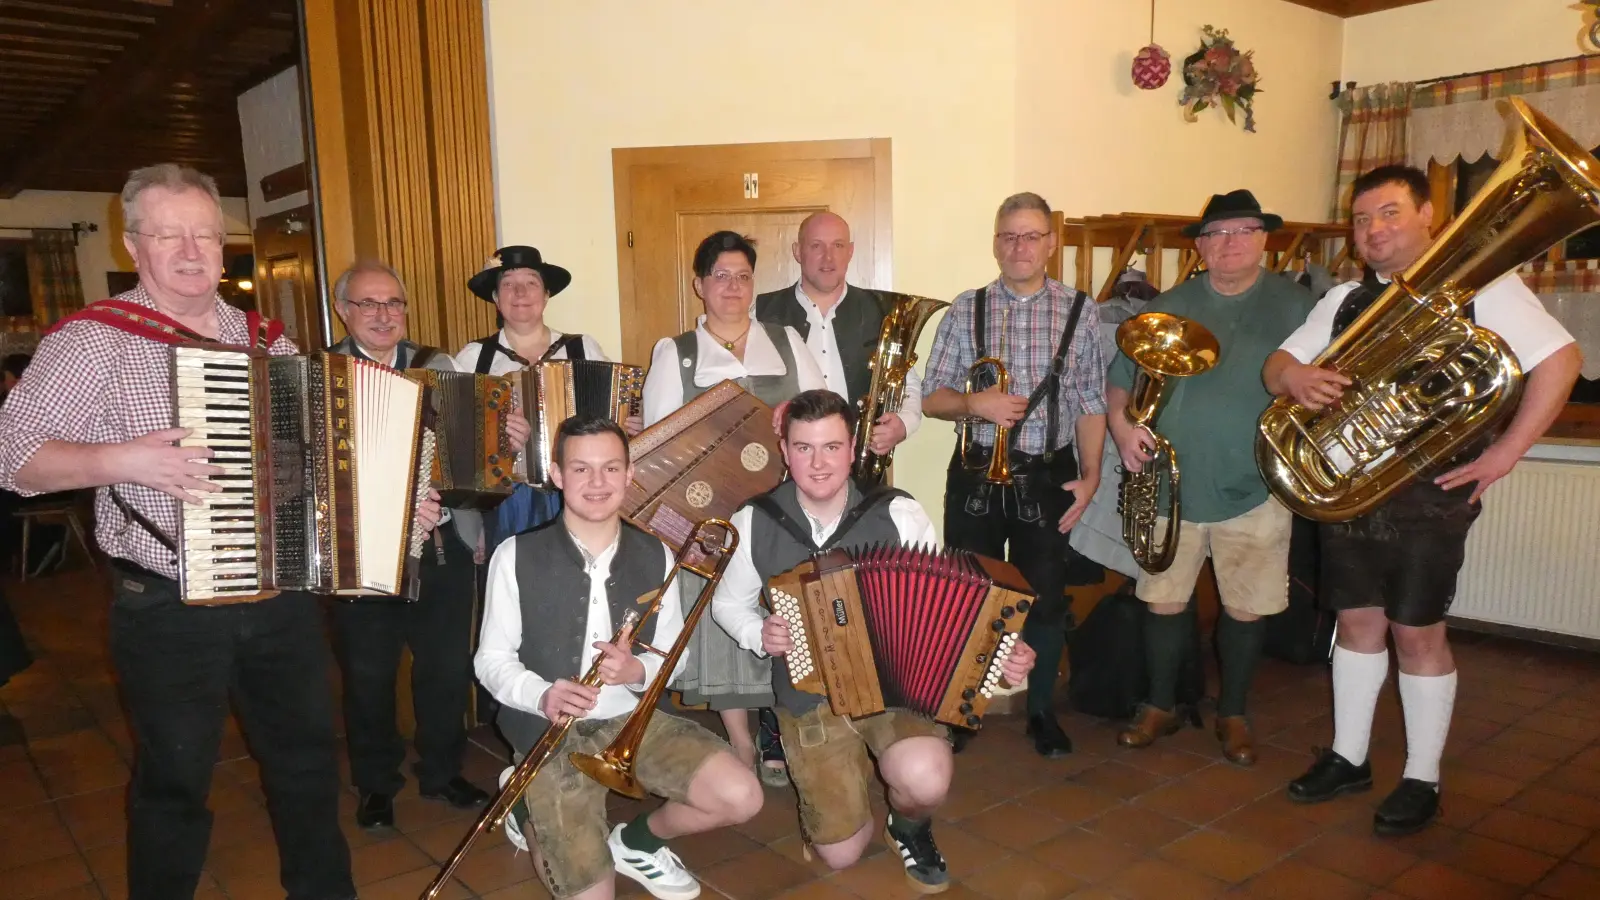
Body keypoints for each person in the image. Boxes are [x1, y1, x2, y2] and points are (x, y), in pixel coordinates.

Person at [0, 163, 444, 899]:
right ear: (133, 243)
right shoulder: (93, 340)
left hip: (280, 600)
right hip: (167, 605)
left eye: (205, 234)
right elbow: (13, 457)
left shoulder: (268, 341)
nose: (190, 250)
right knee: (174, 782)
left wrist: (393, 511)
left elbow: (320, 463)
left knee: (307, 768)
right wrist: (123, 459)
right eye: (168, 234)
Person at [1268, 165, 1581, 834]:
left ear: (1428, 215)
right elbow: (1278, 364)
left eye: (1389, 213)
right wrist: (1295, 378)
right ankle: (1349, 757)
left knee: (1416, 631)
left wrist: (1507, 452)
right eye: (1362, 219)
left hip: (1429, 493)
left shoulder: (1480, 285)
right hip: (1350, 485)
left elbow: (1561, 360)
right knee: (1356, 623)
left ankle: (1422, 778)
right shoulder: (1344, 298)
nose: (1373, 229)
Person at [711, 389, 1038, 892]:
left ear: (852, 449)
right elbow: (728, 604)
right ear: (784, 450)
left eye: (831, 447)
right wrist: (760, 632)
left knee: (926, 775)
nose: (818, 463)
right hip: (808, 699)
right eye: (804, 448)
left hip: (893, 692)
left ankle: (907, 825)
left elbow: (945, 604)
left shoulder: (896, 511)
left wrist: (1002, 651)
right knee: (840, 854)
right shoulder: (755, 519)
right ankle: (847, 783)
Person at [475, 415, 763, 900]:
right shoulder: (514, 555)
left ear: (629, 474)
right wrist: (542, 695)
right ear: (557, 474)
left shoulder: (657, 553)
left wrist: (637, 671)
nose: (597, 482)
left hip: (635, 720)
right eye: (581, 469)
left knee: (743, 796)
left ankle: (637, 842)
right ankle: (526, 809)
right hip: (549, 732)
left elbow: (674, 654)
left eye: (610, 468)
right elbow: (491, 659)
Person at [1104, 190, 1314, 766]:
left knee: (1246, 606)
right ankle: (1160, 706)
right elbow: (1120, 380)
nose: (1230, 243)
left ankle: (1234, 712)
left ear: (1264, 239)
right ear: (1200, 246)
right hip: (1169, 481)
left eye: (1243, 231)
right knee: (1162, 600)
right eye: (1217, 234)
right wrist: (1122, 429)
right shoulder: (1169, 304)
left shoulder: (1300, 306)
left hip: (1258, 481)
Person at [326, 260, 531, 829]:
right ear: (343, 311)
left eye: (393, 303)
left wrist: (507, 442)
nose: (383, 315)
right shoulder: (323, 375)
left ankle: (442, 771)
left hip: (443, 546)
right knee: (369, 675)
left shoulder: (437, 366)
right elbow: (309, 473)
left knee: (444, 668)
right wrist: (389, 508)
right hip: (361, 554)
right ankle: (376, 783)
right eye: (368, 303)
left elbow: (474, 464)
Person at [922, 192, 1107, 758]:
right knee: (969, 595)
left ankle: (1040, 711)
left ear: (1050, 243)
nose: (1019, 246)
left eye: (1031, 236)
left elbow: (1091, 402)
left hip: (1048, 477)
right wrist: (974, 404)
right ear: (995, 243)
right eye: (1009, 236)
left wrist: (1093, 476)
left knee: (1046, 601)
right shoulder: (966, 308)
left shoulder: (1081, 311)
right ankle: (963, 710)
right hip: (975, 475)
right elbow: (931, 397)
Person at [641, 230, 827, 785]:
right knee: (723, 624)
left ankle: (782, 728)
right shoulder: (675, 353)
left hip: (785, 514)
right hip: (712, 520)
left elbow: (824, 414)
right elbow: (659, 451)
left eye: (743, 276)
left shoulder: (787, 342)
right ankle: (742, 741)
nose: (732, 286)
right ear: (699, 285)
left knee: (787, 616)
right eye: (720, 275)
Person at [455, 245, 637, 547]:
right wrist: (496, 442)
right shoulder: (474, 358)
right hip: (508, 500)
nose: (520, 292)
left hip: (583, 491)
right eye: (508, 284)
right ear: (496, 298)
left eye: (531, 282)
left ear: (546, 295)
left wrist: (628, 424)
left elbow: (615, 419)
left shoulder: (582, 348)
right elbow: (458, 444)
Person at [752, 211, 923, 468]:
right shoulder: (761, 312)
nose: (828, 257)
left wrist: (904, 423)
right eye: (816, 246)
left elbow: (906, 381)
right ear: (797, 251)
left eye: (838, 245)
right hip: (782, 466)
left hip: (860, 467)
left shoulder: (882, 311)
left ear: (851, 251)